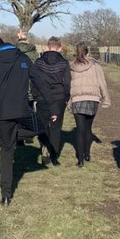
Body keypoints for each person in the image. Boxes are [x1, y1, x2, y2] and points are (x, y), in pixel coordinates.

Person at [0, 35, 49, 206]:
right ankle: (6, 194)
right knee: (40, 129)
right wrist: (51, 103)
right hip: (22, 108)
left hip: (4, 111)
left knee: (7, 151)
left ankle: (5, 193)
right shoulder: (23, 58)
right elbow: (38, 80)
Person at [68, 43, 110, 167]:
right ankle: (87, 154)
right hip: (92, 99)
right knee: (88, 128)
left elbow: (69, 85)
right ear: (88, 52)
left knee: (80, 130)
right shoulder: (95, 65)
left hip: (77, 99)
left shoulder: (71, 66)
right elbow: (102, 83)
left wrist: (69, 101)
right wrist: (106, 99)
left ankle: (80, 159)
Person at [32, 37, 71, 166]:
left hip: (42, 98)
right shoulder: (64, 63)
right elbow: (67, 82)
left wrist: (36, 95)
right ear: (59, 48)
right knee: (56, 128)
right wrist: (66, 97)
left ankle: (44, 148)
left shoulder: (38, 62)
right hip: (58, 98)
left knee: (43, 125)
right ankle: (54, 156)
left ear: (47, 47)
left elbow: (34, 80)